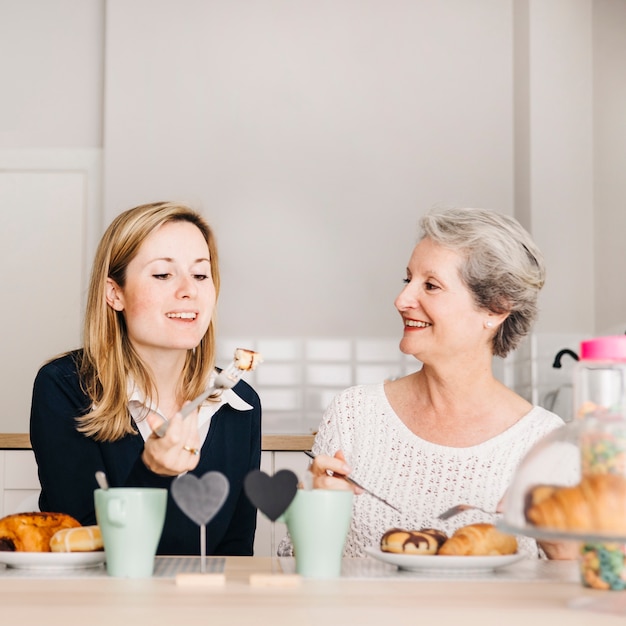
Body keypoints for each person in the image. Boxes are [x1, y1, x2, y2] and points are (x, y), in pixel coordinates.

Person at [304, 207, 577, 559]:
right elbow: (300, 569)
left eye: (430, 285)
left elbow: (573, 594)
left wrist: (560, 549)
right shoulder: (354, 415)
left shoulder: (545, 442)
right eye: (408, 280)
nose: (401, 300)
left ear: (495, 309)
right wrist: (316, 512)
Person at [30, 201, 261, 556]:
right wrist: (152, 473)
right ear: (115, 293)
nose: (189, 290)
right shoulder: (65, 387)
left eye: (201, 275)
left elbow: (234, 553)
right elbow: (80, 545)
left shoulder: (239, 403)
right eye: (162, 274)